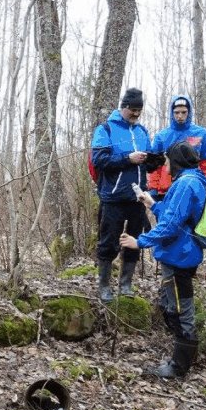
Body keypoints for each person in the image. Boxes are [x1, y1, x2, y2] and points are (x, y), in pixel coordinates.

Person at [121, 142, 206, 379]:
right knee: (175, 307)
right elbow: (177, 217)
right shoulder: (193, 181)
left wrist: (139, 242)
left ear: (177, 160)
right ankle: (180, 360)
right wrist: (152, 204)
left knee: (182, 310)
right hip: (183, 252)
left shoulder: (185, 184)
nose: (166, 165)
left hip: (179, 256)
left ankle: (179, 367)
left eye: (168, 160)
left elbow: (171, 226)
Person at [90, 87, 153, 301]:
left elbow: (147, 165)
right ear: (123, 107)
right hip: (113, 198)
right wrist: (128, 158)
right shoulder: (105, 129)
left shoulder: (142, 131)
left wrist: (155, 161)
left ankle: (126, 285)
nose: (136, 114)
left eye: (139, 110)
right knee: (108, 242)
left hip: (137, 198)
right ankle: (104, 286)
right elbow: (99, 160)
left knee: (134, 241)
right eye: (133, 109)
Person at [147, 94, 206, 198]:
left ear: (189, 112)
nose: (180, 116)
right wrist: (153, 188)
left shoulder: (201, 133)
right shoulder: (161, 136)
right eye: (176, 112)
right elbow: (155, 166)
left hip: (192, 188)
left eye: (184, 112)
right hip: (165, 191)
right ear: (171, 113)